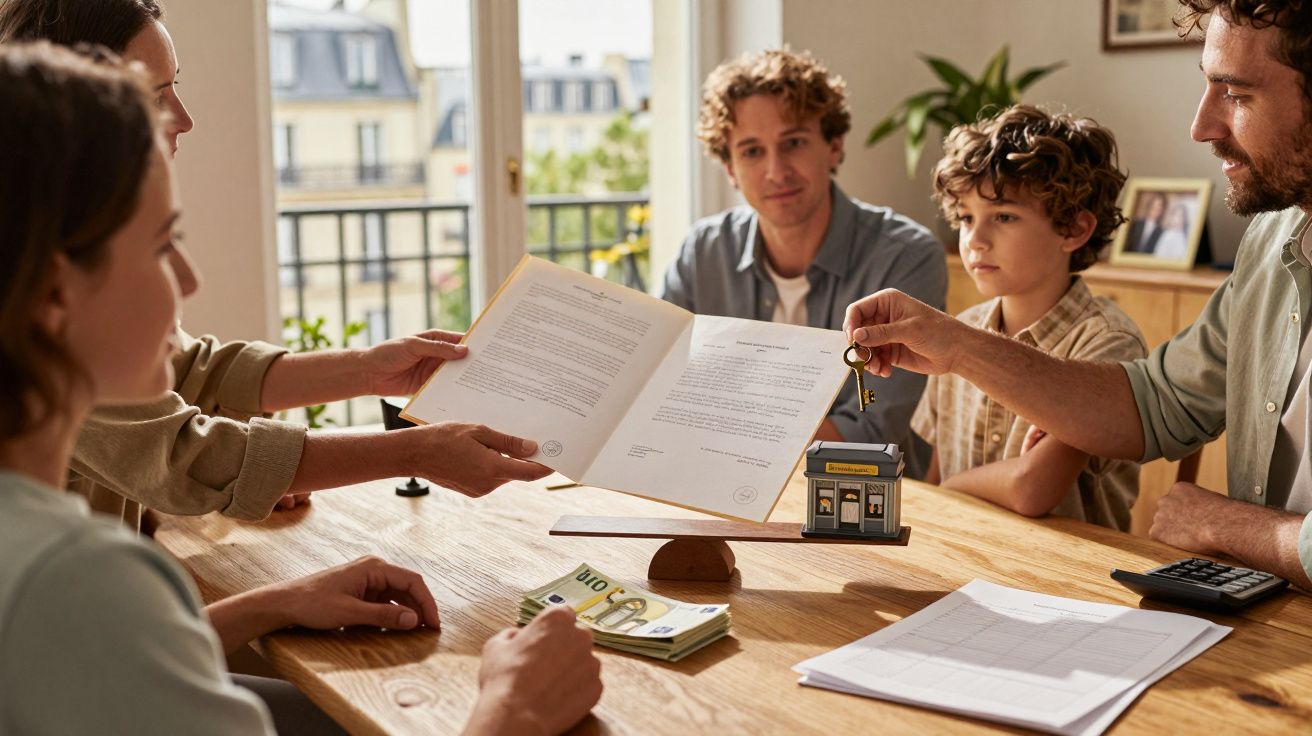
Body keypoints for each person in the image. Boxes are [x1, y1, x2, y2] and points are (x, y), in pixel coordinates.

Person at [0, 42, 603, 734]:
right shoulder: (71, 579)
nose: (190, 283)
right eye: (162, 246)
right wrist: (512, 711)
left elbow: (99, 672)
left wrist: (272, 603)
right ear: (53, 292)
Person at [0, 0, 551, 532]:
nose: (185, 119)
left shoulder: (62, 241)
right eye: (154, 95)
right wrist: (416, 451)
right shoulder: (33, 287)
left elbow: (192, 371)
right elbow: (182, 458)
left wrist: (369, 369)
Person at [845, 0, 1312, 589]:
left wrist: (1232, 527)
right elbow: (1155, 404)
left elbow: (1038, 487)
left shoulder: (1102, 332)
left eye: (1238, 95)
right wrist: (956, 345)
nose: (1201, 126)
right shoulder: (1274, 241)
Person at [657, 48, 946, 478]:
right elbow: (659, 389)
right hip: (717, 484)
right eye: (752, 151)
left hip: (863, 500)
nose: (776, 171)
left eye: (793, 143)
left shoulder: (906, 257)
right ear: (729, 168)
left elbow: (869, 432)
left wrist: (717, 429)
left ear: (833, 146)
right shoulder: (703, 252)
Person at [912, 105, 1146, 529]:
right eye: (966, 217)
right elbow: (934, 478)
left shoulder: (1106, 345)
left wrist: (951, 489)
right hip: (968, 561)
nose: (975, 240)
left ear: (1074, 229)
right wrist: (942, 494)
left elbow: (1030, 488)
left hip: (1068, 578)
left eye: (1003, 216)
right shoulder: (958, 331)